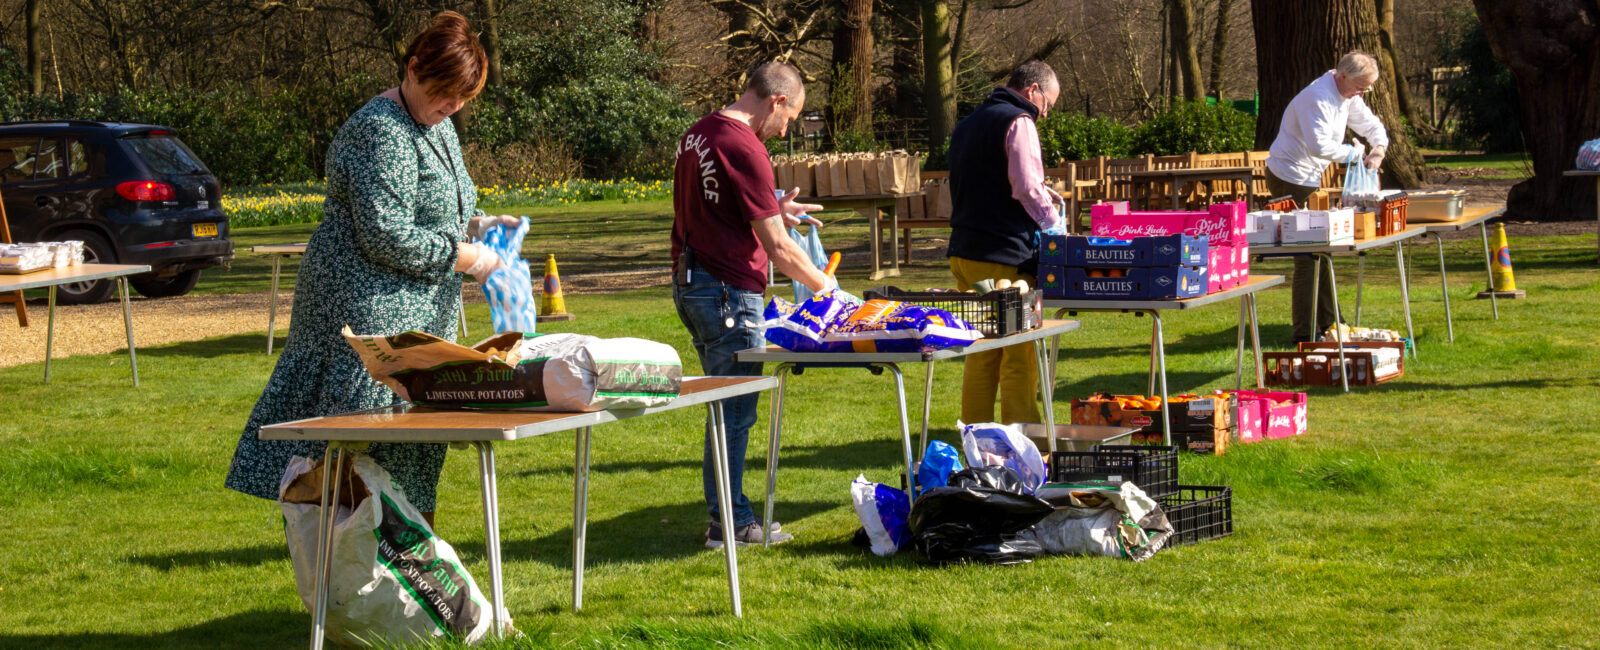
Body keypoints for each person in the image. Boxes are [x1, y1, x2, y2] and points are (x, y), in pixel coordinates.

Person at [225, 11, 518, 525]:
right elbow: (388, 235)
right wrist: (469, 257)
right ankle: (357, 556)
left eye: (463, 99)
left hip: (417, 306)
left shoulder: (436, 125)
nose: (453, 107)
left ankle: (412, 558)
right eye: (445, 93)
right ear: (412, 70)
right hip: (366, 307)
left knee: (416, 442)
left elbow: (432, 205)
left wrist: (477, 225)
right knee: (364, 441)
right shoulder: (379, 131)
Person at [671, 61, 837, 549]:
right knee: (735, 411)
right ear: (777, 100)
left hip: (693, 283)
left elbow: (715, 204)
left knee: (724, 406)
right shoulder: (745, 146)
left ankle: (729, 518)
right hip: (726, 291)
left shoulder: (698, 133)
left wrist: (774, 207)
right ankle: (732, 524)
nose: (785, 130)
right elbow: (781, 249)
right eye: (789, 119)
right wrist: (827, 290)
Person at [945, 61, 1065, 425]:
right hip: (1004, 255)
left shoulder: (967, 124)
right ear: (1032, 91)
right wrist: (1052, 223)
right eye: (1047, 105)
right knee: (1018, 352)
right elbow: (1025, 187)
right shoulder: (1019, 121)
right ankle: (1024, 443)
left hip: (965, 251)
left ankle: (976, 439)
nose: (1044, 115)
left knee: (980, 352)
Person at [1266, 51, 1389, 342]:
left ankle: (1331, 322)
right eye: (1360, 86)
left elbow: (1370, 124)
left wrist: (1379, 148)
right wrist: (1354, 151)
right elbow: (1319, 145)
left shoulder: (1347, 94)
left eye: (1366, 88)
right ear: (1343, 75)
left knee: (1322, 249)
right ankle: (1305, 334)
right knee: (1308, 255)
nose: (1362, 93)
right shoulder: (1317, 98)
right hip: (1289, 177)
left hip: (1308, 176)